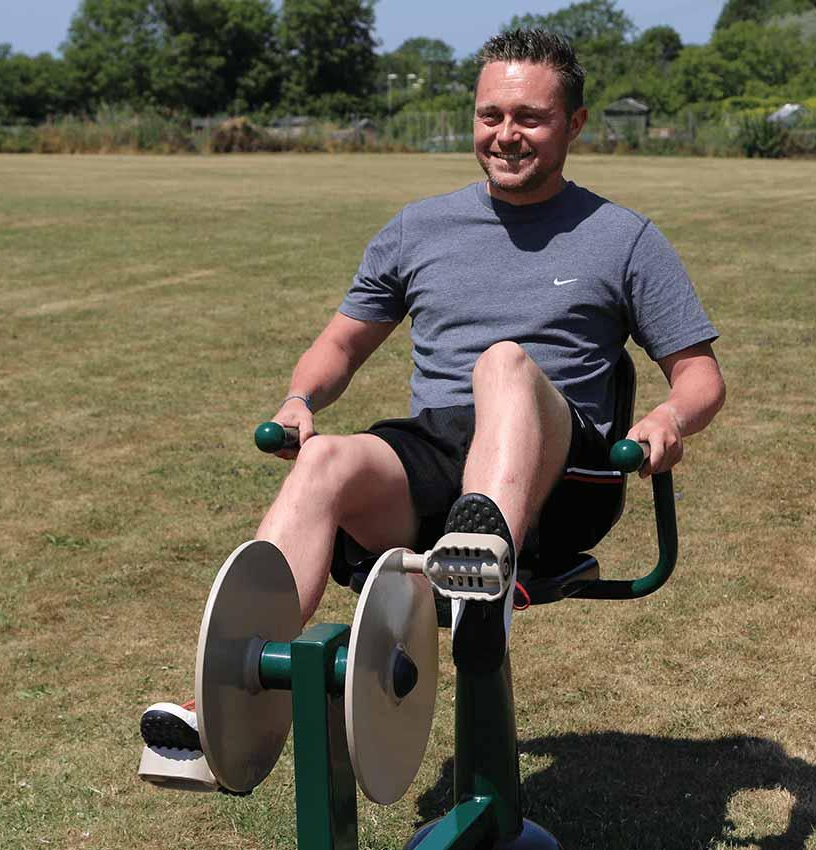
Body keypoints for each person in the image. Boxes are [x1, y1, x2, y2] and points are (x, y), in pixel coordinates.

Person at [139, 28, 725, 789]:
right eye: (490, 116)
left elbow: (699, 375)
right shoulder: (419, 227)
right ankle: (222, 703)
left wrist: (667, 420)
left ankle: (486, 565)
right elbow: (340, 348)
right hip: (442, 453)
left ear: (575, 125)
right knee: (327, 460)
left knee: (504, 363)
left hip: (564, 474)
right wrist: (298, 399)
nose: (504, 136)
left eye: (529, 118)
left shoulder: (624, 238)